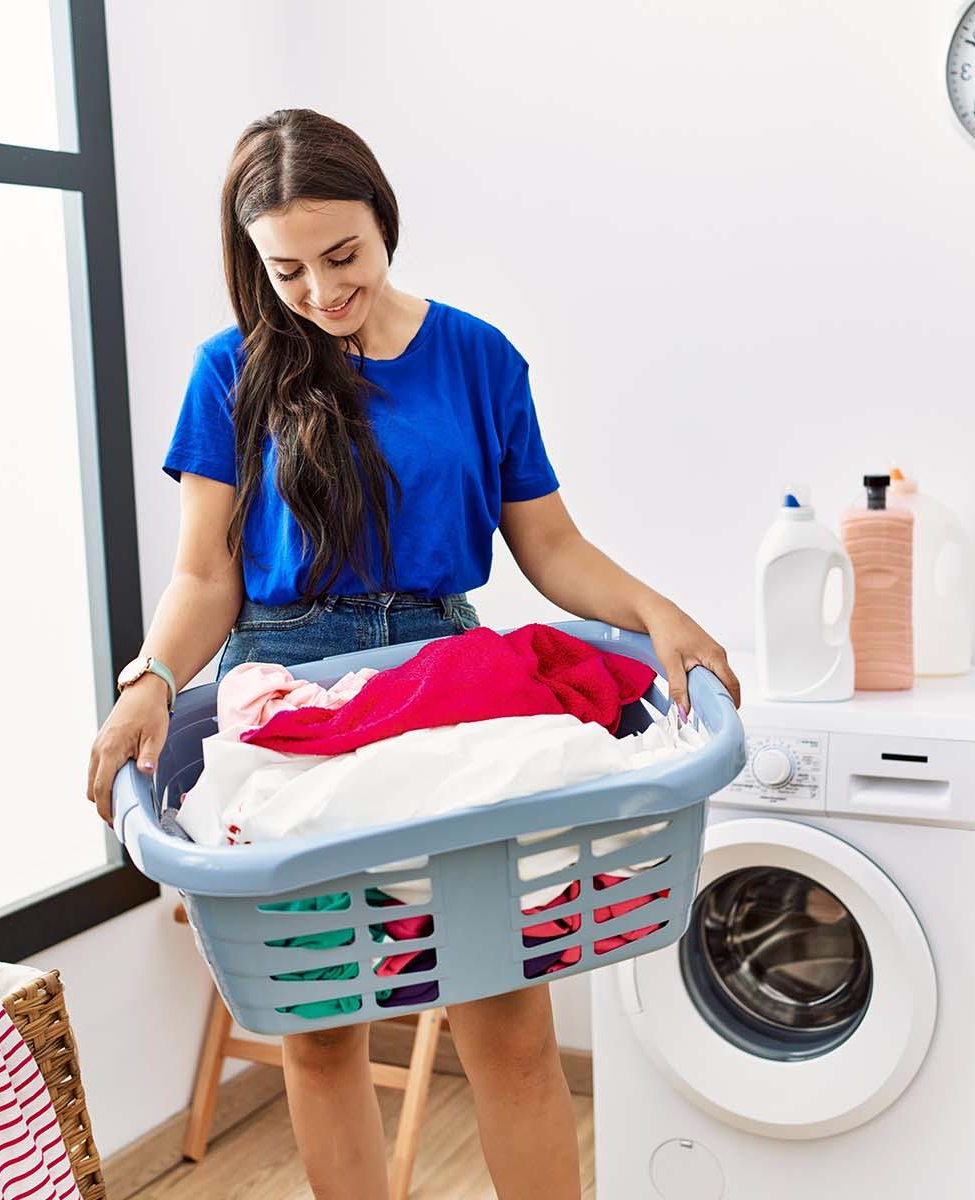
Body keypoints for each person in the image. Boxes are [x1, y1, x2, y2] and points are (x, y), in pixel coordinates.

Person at [83, 108, 740, 1199]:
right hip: (291, 695)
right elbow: (206, 575)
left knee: (510, 1030)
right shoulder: (230, 371)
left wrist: (654, 612)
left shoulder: (477, 357)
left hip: (447, 690)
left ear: (385, 222)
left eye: (342, 255)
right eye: (285, 269)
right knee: (327, 1035)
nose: (321, 290)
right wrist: (151, 678)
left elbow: (550, 544)